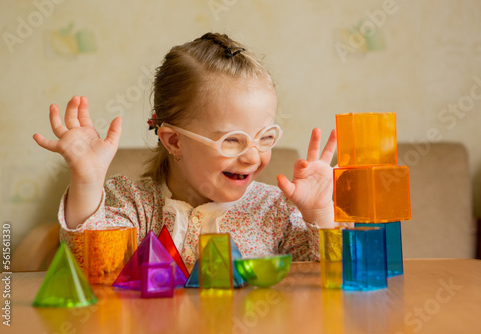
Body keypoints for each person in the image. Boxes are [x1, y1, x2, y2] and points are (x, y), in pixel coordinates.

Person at [33, 32, 337, 267]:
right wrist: (86, 180)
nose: (253, 156)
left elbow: (329, 281)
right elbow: (91, 263)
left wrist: (320, 214)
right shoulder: (133, 206)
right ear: (174, 141)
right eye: (232, 140)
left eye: (265, 137)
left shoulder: (276, 210)